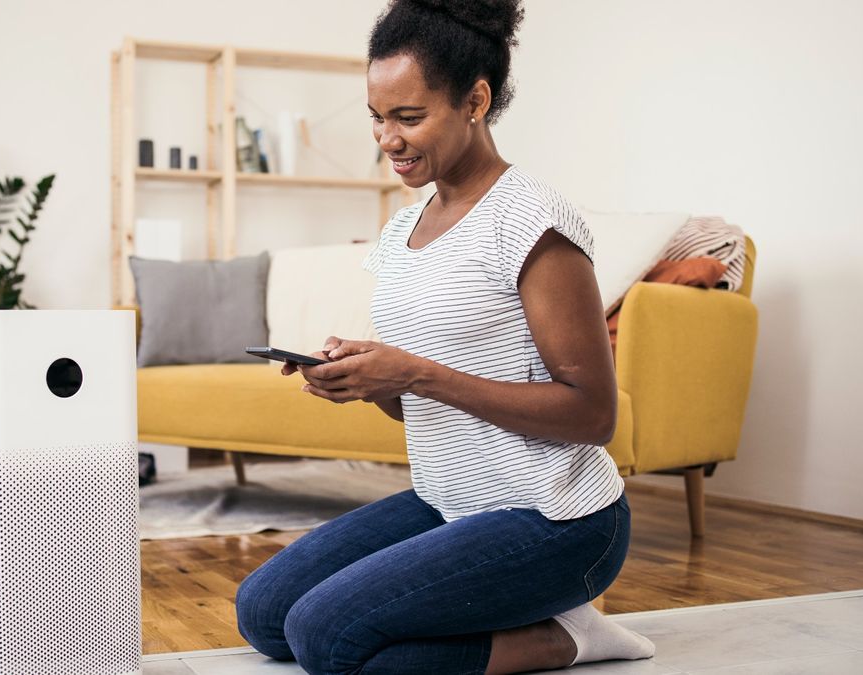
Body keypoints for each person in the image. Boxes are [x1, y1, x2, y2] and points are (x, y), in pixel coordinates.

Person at [234, 1, 658, 673]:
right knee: (262, 612)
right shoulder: (403, 231)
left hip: (557, 519)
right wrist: (366, 381)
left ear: (475, 101)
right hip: (452, 503)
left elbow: (594, 414)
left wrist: (415, 372)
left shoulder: (533, 222)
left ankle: (569, 637)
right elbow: (418, 399)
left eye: (409, 117)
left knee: (326, 637)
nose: (388, 139)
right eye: (378, 117)